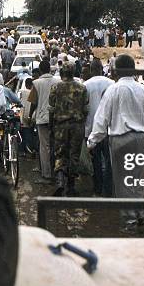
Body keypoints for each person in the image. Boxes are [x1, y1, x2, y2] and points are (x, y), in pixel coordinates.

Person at [87, 54, 144, 231]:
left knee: (123, 182)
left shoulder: (113, 90)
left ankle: (130, 222)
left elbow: (101, 119)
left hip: (120, 139)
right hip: (142, 139)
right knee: (138, 178)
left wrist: (92, 141)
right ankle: (141, 213)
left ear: (116, 70)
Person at [48, 61, 89, 196]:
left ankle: (60, 182)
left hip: (60, 125)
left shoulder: (55, 87)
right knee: (74, 155)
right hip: (77, 126)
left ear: (62, 73)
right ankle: (71, 186)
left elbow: (51, 108)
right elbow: (85, 109)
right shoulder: (82, 88)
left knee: (60, 153)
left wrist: (51, 126)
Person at [84, 59, 115, 197]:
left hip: (91, 129)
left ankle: (97, 190)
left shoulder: (85, 85)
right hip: (109, 129)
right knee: (109, 162)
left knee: (95, 161)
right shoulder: (112, 84)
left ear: (91, 70)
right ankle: (108, 191)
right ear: (102, 69)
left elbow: (83, 108)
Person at [28, 60, 60, 183]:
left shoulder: (36, 83)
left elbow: (33, 103)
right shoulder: (58, 81)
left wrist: (30, 116)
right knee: (56, 145)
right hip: (56, 118)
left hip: (42, 118)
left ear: (40, 70)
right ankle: (58, 173)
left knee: (44, 147)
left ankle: (46, 175)